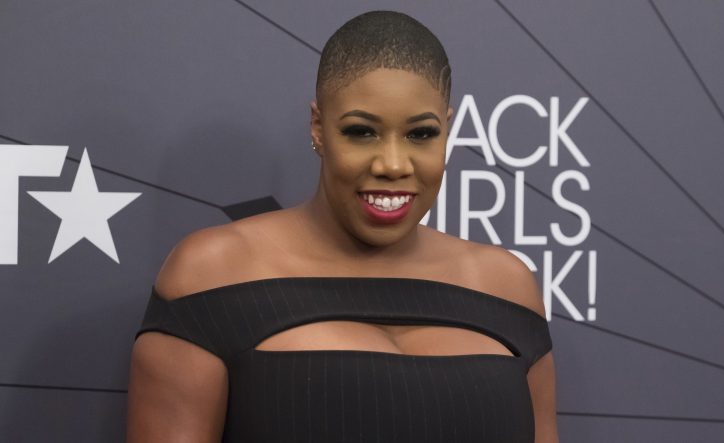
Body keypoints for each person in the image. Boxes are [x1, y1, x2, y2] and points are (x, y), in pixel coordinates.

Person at [127, 10, 558, 443]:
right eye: (362, 132)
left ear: (447, 129)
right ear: (318, 127)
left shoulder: (507, 287)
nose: (393, 164)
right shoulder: (214, 273)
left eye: (421, 134)